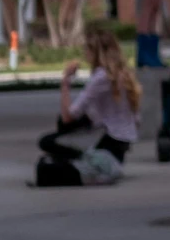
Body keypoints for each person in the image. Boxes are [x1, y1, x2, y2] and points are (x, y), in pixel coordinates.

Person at [39, 28, 141, 177]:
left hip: (109, 139)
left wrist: (66, 82)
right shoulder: (124, 73)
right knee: (76, 122)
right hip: (122, 141)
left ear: (95, 52)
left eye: (86, 49)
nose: (84, 53)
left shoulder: (101, 77)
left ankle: (82, 158)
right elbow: (135, 117)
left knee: (47, 141)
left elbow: (69, 116)